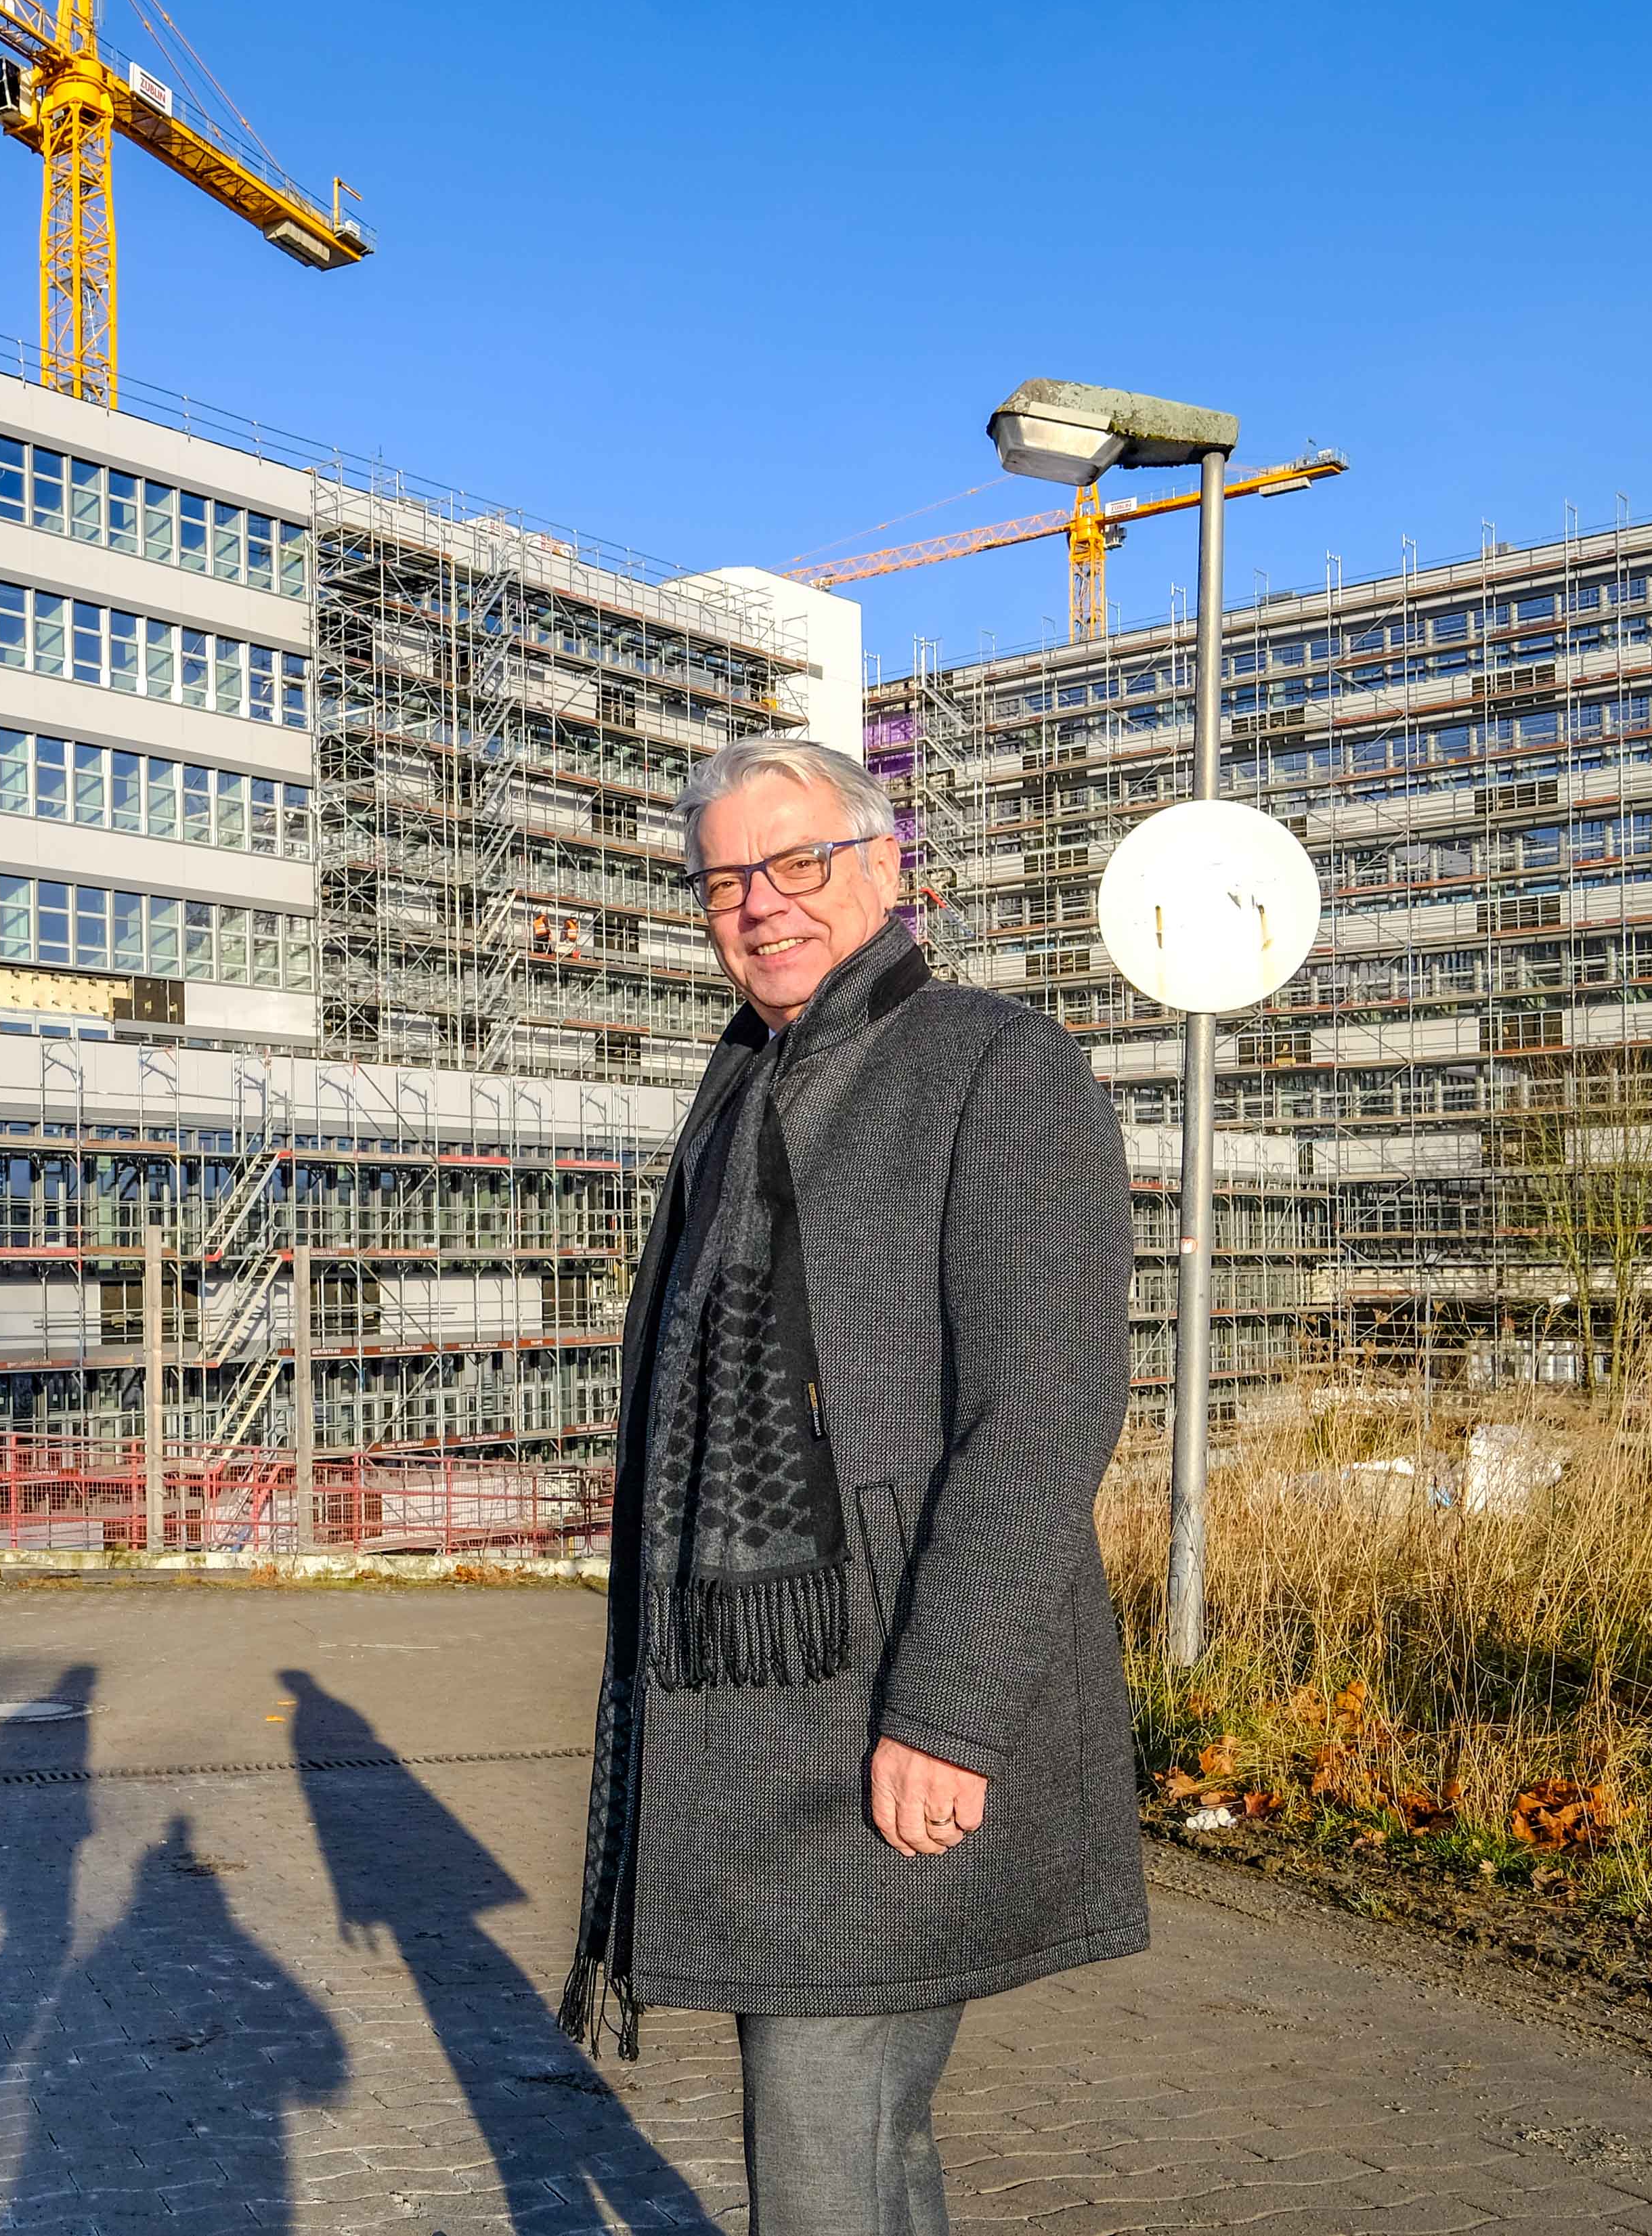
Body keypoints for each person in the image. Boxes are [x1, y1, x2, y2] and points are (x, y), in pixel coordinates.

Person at [562, 734, 1146, 2236]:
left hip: (890, 1703)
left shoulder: (992, 1068)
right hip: (764, 1718)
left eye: (793, 862)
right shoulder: (739, 1090)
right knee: (862, 2144)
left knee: (822, 2147)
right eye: (722, 881)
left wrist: (943, 1712)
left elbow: (1040, 1414)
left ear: (884, 867)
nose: (758, 904)